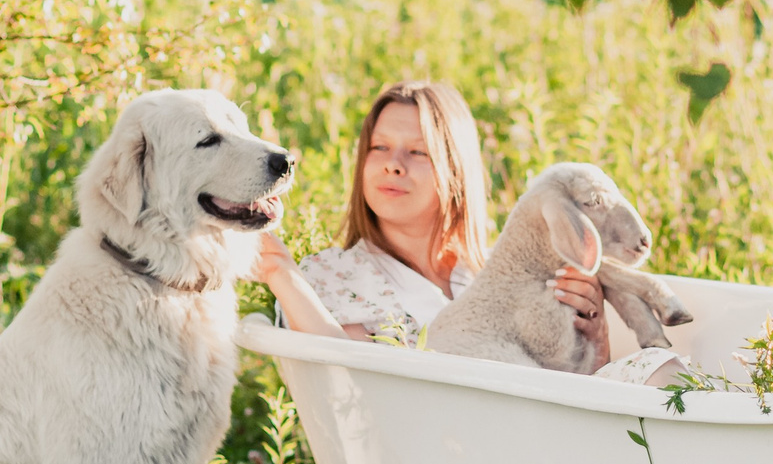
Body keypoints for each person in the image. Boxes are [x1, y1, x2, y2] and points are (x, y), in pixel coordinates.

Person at [254, 80, 605, 349]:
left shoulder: (495, 276)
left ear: (455, 170)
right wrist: (280, 271)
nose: (393, 164)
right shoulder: (331, 277)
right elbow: (353, 395)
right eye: (380, 147)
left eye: (418, 152)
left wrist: (595, 339)